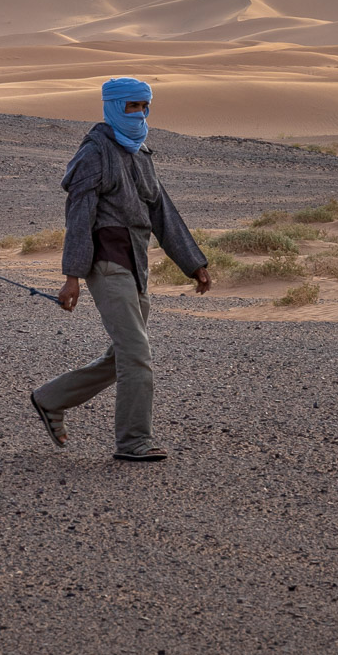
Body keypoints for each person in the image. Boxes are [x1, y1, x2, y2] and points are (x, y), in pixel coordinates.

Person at [29, 77, 210, 461]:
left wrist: (194, 265)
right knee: (137, 355)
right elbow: (78, 217)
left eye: (146, 106)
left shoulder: (141, 151)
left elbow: (162, 212)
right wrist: (72, 277)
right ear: (113, 107)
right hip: (107, 262)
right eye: (133, 107)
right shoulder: (95, 154)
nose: (141, 114)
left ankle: (50, 398)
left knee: (123, 357)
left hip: (136, 262)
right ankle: (133, 443)